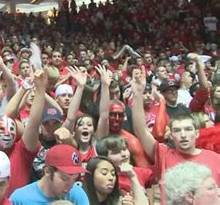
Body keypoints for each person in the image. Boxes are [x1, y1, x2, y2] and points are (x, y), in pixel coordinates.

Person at [131, 66, 220, 203]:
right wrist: (137, 94)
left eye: (188, 129)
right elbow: (141, 131)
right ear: (171, 135)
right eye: (177, 131)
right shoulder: (163, 154)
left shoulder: (215, 159)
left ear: (196, 133)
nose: (183, 135)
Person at [9, 144, 89, 204]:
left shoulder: (77, 194)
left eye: (74, 179)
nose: (70, 185)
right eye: (65, 178)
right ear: (47, 171)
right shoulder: (20, 199)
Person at [83, 156, 147, 204]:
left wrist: (133, 176)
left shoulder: (119, 197)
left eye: (113, 174)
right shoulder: (80, 197)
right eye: (104, 173)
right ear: (91, 175)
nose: (111, 178)